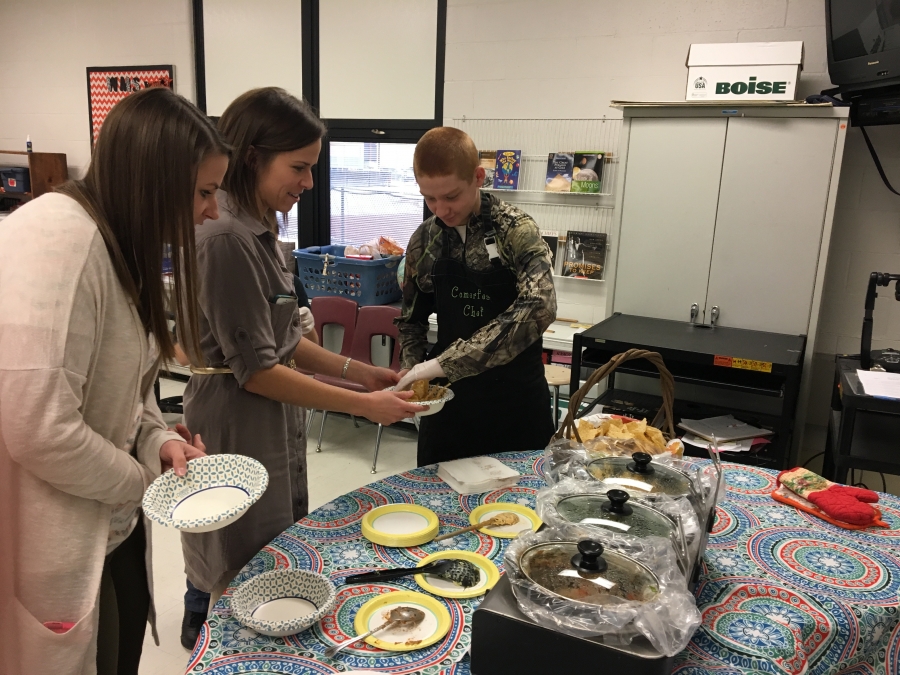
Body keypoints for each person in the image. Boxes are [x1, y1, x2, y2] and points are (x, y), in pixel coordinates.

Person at [179, 87, 421, 648]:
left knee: (279, 550)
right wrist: (365, 407)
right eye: (300, 167)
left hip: (270, 413)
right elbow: (257, 370)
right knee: (243, 565)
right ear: (251, 157)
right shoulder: (225, 237)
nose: (309, 183)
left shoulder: (263, 232)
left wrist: (358, 372)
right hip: (236, 419)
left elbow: (284, 339)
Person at [0, 86, 228, 675]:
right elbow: (39, 428)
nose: (212, 211)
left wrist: (159, 442)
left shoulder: (118, 243)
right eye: (203, 192)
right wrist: (142, 480)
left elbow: (129, 392)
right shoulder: (62, 242)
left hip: (110, 528)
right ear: (153, 181)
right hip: (60, 537)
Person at [396, 127, 557, 466]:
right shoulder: (424, 241)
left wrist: (442, 363)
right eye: (429, 198)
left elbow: (541, 305)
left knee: (519, 513)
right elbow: (411, 321)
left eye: (451, 196)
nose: (441, 209)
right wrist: (413, 374)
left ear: (478, 177)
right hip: (449, 411)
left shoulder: (514, 230)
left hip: (515, 406)